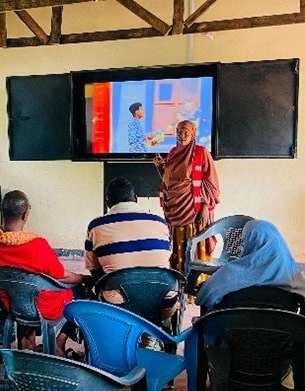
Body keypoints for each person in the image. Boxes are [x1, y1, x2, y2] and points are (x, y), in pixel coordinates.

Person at [0, 190, 87, 357]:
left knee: (27, 288)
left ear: (1, 212)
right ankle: (60, 341)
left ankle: (28, 334)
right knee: (79, 292)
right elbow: (61, 275)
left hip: (13, 304)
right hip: (43, 309)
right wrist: (83, 278)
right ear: (25, 215)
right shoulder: (37, 245)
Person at [85, 177, 178, 320]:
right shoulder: (159, 222)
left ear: (108, 203)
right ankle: (160, 333)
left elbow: (94, 270)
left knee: (92, 291)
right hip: (163, 302)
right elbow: (168, 257)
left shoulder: (96, 226)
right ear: (135, 199)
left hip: (120, 306)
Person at [153, 119, 220, 276]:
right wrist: (159, 167)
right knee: (177, 251)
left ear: (193, 134)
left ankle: (196, 290)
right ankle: (181, 288)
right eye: (179, 132)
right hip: (174, 210)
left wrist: (205, 206)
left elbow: (212, 183)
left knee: (194, 251)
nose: (182, 136)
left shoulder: (201, 153)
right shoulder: (172, 153)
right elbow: (169, 181)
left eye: (186, 133)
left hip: (193, 211)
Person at [196, 219, 305, 309]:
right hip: (281, 333)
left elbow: (202, 298)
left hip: (229, 332)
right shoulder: (297, 277)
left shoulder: (228, 273)